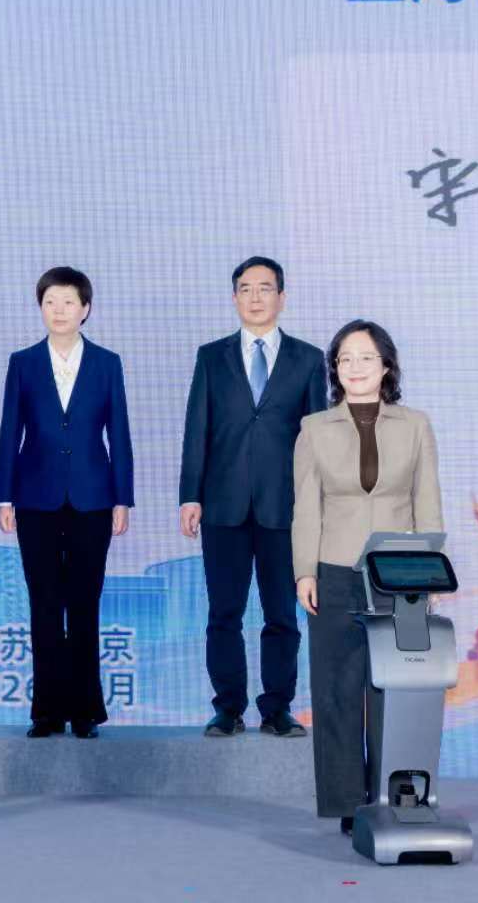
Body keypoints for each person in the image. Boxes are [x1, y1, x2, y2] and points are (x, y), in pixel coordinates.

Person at [291, 319, 442, 833]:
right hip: (333, 571)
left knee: (393, 689)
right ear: (334, 369)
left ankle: (390, 794)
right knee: (336, 689)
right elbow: (306, 507)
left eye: (366, 357)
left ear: (386, 366)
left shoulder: (415, 425)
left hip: (398, 575)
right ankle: (344, 803)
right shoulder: (314, 428)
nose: (355, 368)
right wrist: (304, 571)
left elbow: (427, 501)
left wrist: (429, 573)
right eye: (345, 359)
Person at [179, 256, 325, 739]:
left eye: (265, 288)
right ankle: (228, 708)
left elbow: (316, 439)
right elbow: (196, 429)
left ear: (282, 297)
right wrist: (189, 495)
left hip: (286, 507)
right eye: (246, 288)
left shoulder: (308, 359)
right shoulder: (211, 357)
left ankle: (277, 708)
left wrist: (315, 504)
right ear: (234, 297)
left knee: (282, 614)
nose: (255, 297)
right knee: (224, 613)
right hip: (222, 505)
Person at [0, 266, 134, 738]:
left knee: (85, 603)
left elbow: (119, 433)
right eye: (50, 302)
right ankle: (47, 711)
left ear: (85, 309)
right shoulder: (23, 362)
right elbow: (9, 431)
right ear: (40, 308)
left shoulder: (107, 362)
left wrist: (122, 498)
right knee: (44, 604)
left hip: (93, 499)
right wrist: (4, 496)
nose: (59, 310)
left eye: (68, 302)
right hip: (34, 499)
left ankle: (85, 711)